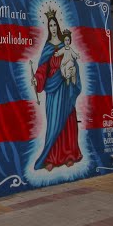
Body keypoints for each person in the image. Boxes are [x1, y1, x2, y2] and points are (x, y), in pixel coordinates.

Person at [33, 9, 83, 171]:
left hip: (66, 88)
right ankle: (51, 158)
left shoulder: (65, 45)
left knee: (67, 120)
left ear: (58, 26)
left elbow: (73, 63)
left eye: (55, 24)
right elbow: (42, 69)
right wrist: (37, 78)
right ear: (48, 28)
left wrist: (72, 72)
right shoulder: (48, 48)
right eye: (50, 25)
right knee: (54, 122)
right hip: (53, 90)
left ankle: (69, 155)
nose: (53, 27)